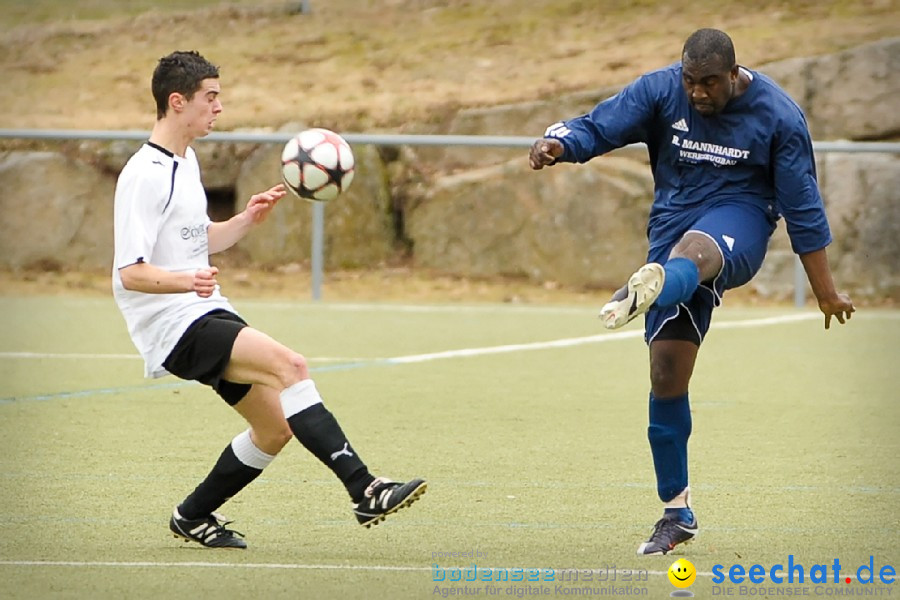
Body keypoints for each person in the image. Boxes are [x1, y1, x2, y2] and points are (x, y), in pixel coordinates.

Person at [529, 28, 854, 556]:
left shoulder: (779, 117)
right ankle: (676, 513)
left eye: (709, 83)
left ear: (733, 74)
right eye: (691, 81)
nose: (698, 93)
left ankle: (655, 282)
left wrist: (826, 292)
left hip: (739, 224)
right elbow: (600, 125)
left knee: (696, 250)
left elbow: (803, 208)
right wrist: (560, 144)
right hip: (671, 226)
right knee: (666, 373)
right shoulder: (661, 91)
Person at [112, 50, 426, 549]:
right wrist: (185, 282)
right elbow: (131, 272)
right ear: (177, 102)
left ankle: (192, 516)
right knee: (291, 367)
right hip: (173, 323)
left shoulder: (185, 160)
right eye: (210, 98)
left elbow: (194, 242)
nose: (219, 107)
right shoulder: (145, 174)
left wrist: (242, 223)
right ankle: (365, 488)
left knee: (275, 428)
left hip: (199, 309)